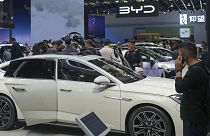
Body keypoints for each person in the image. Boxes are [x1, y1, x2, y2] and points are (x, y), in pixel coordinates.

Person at [175, 42, 210, 136]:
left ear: (186, 54)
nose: (178, 57)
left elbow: (179, 87)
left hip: (194, 120)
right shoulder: (201, 66)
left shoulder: (195, 71)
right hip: (199, 116)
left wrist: (178, 70)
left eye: (180, 54)